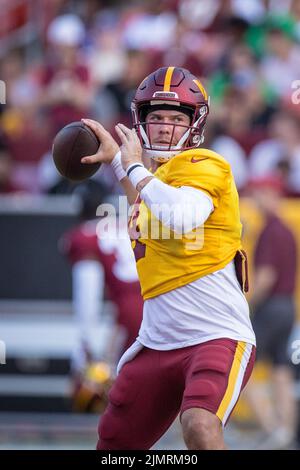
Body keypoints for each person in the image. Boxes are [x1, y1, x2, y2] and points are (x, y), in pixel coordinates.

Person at [81, 66, 256, 450]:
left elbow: (181, 215)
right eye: (156, 117)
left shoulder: (206, 164)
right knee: (113, 446)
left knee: (199, 425)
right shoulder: (156, 180)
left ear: (195, 123)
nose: (164, 127)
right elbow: (150, 205)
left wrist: (132, 166)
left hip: (215, 334)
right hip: (157, 341)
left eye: (176, 119)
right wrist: (116, 160)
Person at [60, 180, 143, 410]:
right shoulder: (124, 224)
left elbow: (88, 294)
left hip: (131, 311)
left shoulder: (84, 238)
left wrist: (86, 342)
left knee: (102, 384)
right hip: (159, 302)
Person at [245, 174, 297, 449]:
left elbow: (266, 276)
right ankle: (284, 430)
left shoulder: (270, 230)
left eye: (261, 193)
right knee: (281, 370)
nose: (256, 199)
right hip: (287, 306)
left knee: (244, 367)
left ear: (273, 195)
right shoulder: (285, 229)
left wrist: (247, 305)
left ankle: (270, 427)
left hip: (271, 307)